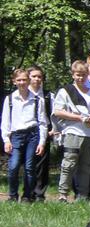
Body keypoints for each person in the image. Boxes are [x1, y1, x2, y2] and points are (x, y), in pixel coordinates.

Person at [53, 60, 90, 203]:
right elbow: (58, 112)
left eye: (83, 75)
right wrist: (79, 118)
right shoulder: (65, 91)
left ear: (87, 75)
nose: (80, 78)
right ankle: (63, 194)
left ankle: (83, 195)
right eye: (78, 75)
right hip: (72, 132)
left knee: (86, 166)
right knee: (68, 164)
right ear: (73, 74)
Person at [2, 68, 48, 203]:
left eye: (24, 79)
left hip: (32, 135)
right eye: (19, 80)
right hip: (16, 135)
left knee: (29, 167)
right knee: (13, 165)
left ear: (29, 81)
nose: (22, 82)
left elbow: (43, 122)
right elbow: (5, 121)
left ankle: (27, 195)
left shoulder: (37, 100)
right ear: (14, 82)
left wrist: (42, 142)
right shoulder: (10, 99)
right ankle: (12, 195)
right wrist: (6, 140)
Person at [28, 65, 53, 202]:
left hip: (45, 133)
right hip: (27, 133)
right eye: (34, 76)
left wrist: (53, 129)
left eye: (39, 77)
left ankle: (39, 194)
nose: (37, 79)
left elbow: (54, 115)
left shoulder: (48, 95)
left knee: (42, 166)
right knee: (29, 164)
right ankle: (28, 192)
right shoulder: (24, 94)